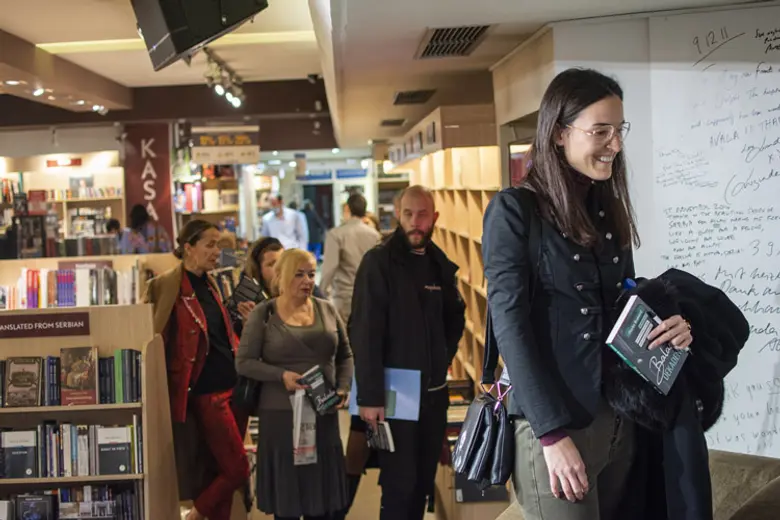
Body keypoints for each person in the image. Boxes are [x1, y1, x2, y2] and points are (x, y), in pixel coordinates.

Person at [482, 68, 693, 520]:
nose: (615, 144)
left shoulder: (605, 207)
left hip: (619, 423)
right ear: (560, 133)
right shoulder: (514, 211)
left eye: (619, 130)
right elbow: (510, 329)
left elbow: (623, 306)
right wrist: (551, 435)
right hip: (554, 432)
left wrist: (668, 324)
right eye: (600, 131)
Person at [349, 185, 465, 520]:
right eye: (408, 214)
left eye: (422, 215)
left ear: (434, 218)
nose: (416, 222)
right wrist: (370, 397)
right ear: (398, 216)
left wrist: (442, 359)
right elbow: (364, 332)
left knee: (422, 483)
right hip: (393, 395)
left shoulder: (439, 265)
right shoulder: (378, 262)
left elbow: (454, 319)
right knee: (400, 485)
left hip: (434, 395)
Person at [235, 248, 354, 520]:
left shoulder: (326, 309)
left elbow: (346, 354)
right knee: (287, 504)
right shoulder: (263, 314)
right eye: (299, 274)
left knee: (321, 502)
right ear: (282, 276)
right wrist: (281, 376)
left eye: (311, 274)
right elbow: (244, 362)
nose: (307, 281)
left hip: (323, 413)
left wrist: (343, 387)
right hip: (280, 418)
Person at [143, 219, 250, 520]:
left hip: (234, 390)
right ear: (189, 247)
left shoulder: (214, 283)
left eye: (219, 245)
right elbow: (154, 337)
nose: (217, 251)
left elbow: (221, 336)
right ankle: (196, 514)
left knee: (217, 470)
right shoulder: (168, 287)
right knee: (237, 468)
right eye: (210, 244)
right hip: (208, 395)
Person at [228, 237, 326, 337]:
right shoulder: (249, 298)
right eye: (271, 264)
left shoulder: (306, 288)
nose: (280, 269)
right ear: (258, 270)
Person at [319, 193, 380, 324]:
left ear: (347, 208)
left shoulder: (336, 234)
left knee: (346, 333)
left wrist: (320, 293)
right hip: (370, 296)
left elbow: (330, 268)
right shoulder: (374, 235)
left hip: (345, 296)